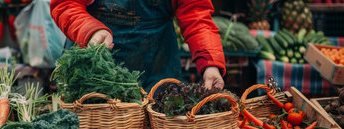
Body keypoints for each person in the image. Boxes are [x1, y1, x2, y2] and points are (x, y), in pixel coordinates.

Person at [50, 0, 226, 92]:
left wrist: (211, 64)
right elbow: (65, 4)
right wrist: (89, 30)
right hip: (94, 67)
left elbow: (195, 13)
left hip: (156, 63)